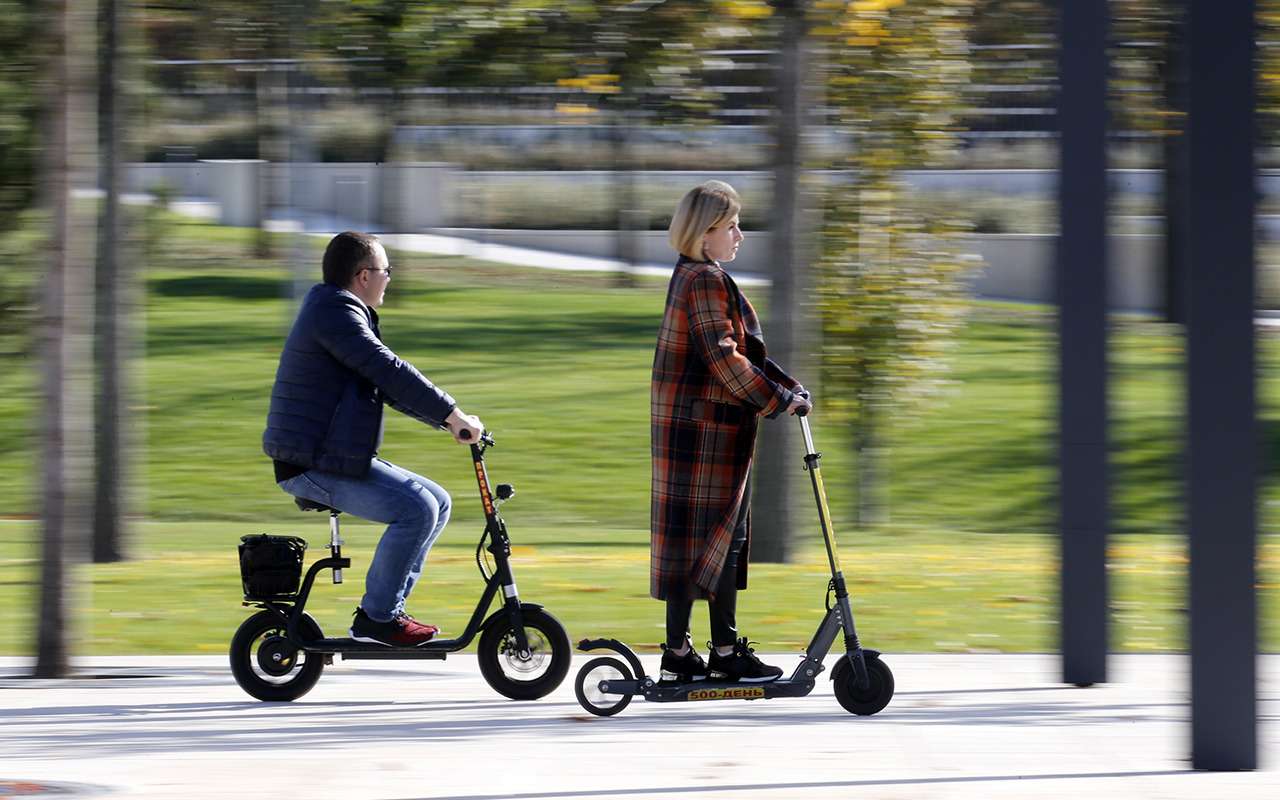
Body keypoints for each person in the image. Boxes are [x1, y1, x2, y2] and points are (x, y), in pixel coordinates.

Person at [263, 231, 484, 647]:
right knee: (416, 509)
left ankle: (387, 612)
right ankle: (377, 619)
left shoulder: (336, 310)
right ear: (364, 276)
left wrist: (447, 423)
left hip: (329, 454)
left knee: (437, 501)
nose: (389, 278)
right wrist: (452, 413)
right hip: (309, 462)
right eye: (386, 270)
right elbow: (388, 369)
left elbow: (384, 385)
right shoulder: (335, 313)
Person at [651, 180, 812, 683]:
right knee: (724, 539)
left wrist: (786, 386)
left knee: (692, 541)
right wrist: (777, 399)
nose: (740, 235)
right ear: (706, 232)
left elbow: (742, 353)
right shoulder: (705, 279)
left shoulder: (690, 273)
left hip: (693, 430)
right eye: (732, 226)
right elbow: (725, 359)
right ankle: (722, 653)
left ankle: (680, 653)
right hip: (709, 435)